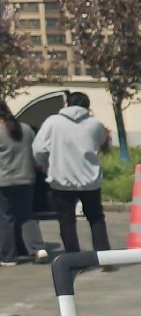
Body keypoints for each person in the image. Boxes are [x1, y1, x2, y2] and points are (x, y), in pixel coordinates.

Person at [31, 91, 110, 254]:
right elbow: (102, 142)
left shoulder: (52, 122)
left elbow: (38, 149)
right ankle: (104, 256)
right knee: (96, 218)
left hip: (62, 179)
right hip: (90, 180)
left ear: (66, 104)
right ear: (87, 106)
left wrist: (46, 164)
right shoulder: (95, 124)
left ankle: (74, 255)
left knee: (67, 221)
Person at [0, 99, 48, 266]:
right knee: (26, 215)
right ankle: (38, 249)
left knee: (6, 218)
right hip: (27, 179)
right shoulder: (26, 129)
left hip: (4, 182)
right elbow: (36, 154)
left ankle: (8, 257)